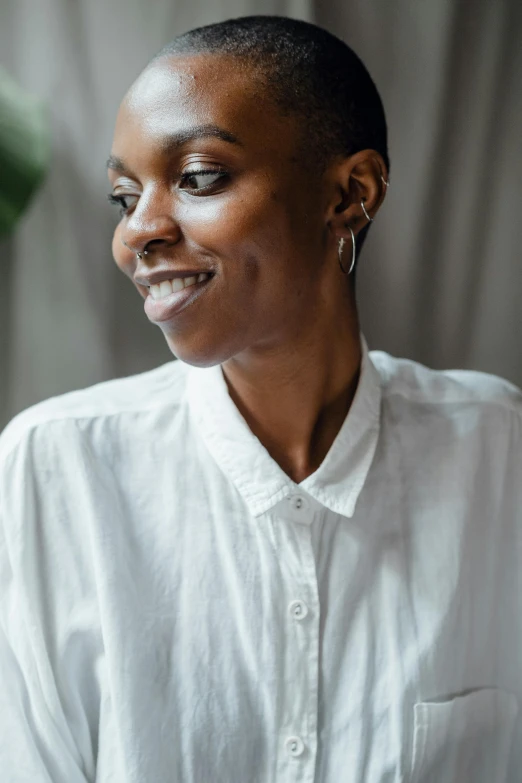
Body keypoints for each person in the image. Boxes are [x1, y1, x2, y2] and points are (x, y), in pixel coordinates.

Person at [0, 14, 521, 783]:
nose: (137, 233)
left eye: (199, 177)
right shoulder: (54, 470)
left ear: (351, 193)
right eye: (123, 195)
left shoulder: (501, 456)